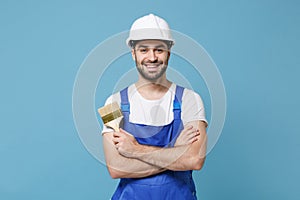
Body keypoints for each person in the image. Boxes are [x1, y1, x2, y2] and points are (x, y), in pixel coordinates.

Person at [102, 13, 208, 200]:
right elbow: (115, 168)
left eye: (159, 49)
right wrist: (175, 151)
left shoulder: (191, 100)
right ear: (133, 53)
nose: (152, 57)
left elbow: (194, 159)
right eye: (144, 50)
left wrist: (135, 150)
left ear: (169, 51)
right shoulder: (112, 103)